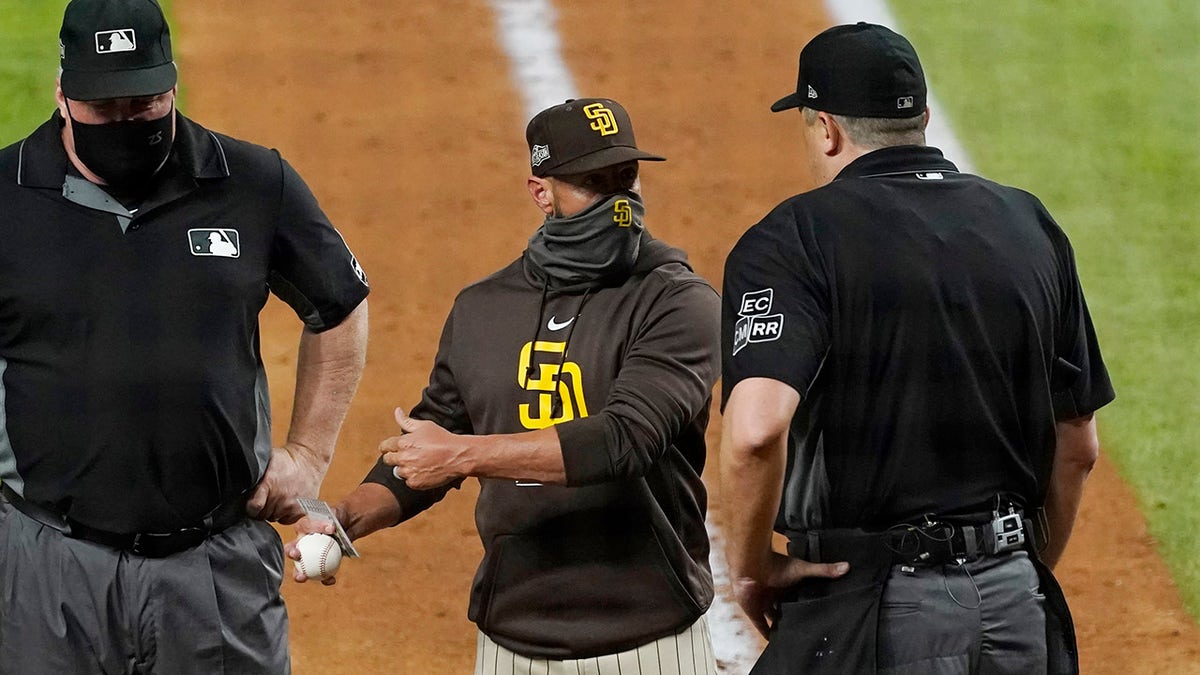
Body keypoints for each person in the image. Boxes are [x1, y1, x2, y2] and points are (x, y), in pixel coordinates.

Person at [719, 22, 1114, 675]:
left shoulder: (793, 238)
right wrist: (1017, 568)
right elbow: (1078, 444)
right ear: (922, 118)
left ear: (826, 128)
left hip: (878, 612)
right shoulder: (1030, 224)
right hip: (1016, 604)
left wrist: (752, 568)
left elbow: (756, 432)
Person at [289, 98, 721, 674]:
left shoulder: (677, 302)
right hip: (510, 640)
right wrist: (344, 514)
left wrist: (463, 456)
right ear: (541, 191)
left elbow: (625, 440)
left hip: (647, 639)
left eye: (625, 178)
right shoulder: (482, 309)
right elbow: (431, 442)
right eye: (595, 183)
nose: (620, 200)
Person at [0, 1, 369, 673]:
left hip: (212, 569)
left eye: (143, 102)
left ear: (172, 83)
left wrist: (309, 456)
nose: (124, 121)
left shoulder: (252, 181)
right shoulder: (5, 194)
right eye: (102, 107)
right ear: (62, 93)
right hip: (48, 569)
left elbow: (339, 306)